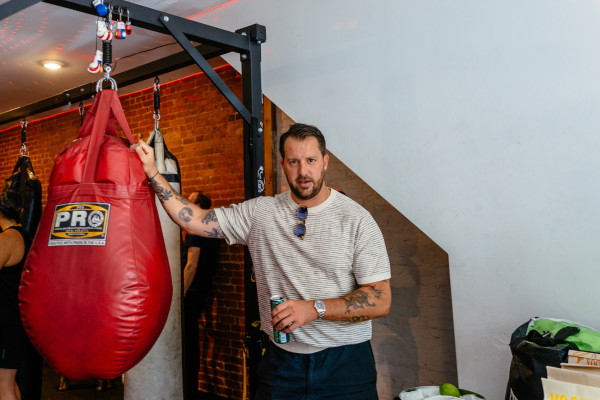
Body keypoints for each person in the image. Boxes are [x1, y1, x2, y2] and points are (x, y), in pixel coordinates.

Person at [134, 123, 392, 400]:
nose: (303, 171)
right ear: (283, 164)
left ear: (325, 162)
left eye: (311, 160)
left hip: (346, 365)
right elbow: (194, 220)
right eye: (293, 162)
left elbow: (380, 299)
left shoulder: (356, 219)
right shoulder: (260, 213)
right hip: (283, 364)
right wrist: (153, 172)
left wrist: (314, 309)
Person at [182, 191, 220, 400]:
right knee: (191, 340)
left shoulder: (195, 228)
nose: (185, 204)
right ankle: (191, 387)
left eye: (189, 201)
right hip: (203, 290)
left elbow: (192, 265)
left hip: (191, 292)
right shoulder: (210, 227)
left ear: (197, 206)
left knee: (188, 341)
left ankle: (188, 390)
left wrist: (180, 296)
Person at [0, 191, 33, 400]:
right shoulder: (25, 235)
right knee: (8, 382)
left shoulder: (6, 239)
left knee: (3, 383)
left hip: (6, 324)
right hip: (16, 320)